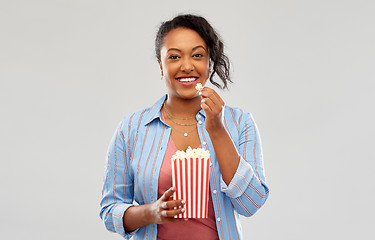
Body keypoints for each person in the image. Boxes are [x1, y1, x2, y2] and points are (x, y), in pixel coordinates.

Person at [100, 14, 269, 240]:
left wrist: (217, 130)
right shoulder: (131, 128)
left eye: (197, 55)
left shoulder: (240, 123)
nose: (187, 66)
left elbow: (251, 204)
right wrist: (151, 212)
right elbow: (109, 212)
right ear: (161, 65)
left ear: (210, 62)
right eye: (174, 56)